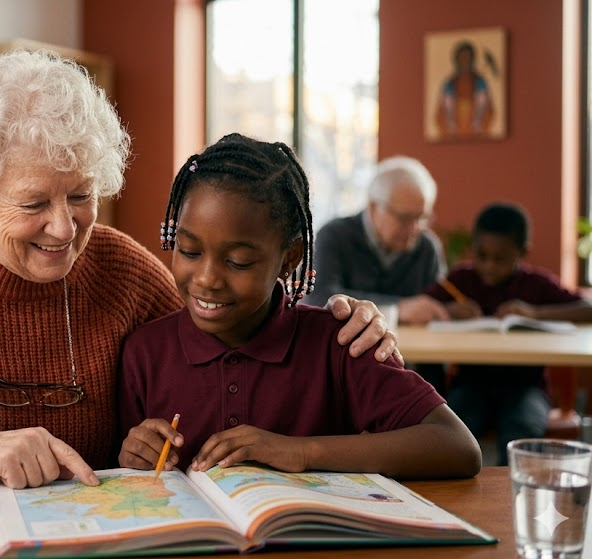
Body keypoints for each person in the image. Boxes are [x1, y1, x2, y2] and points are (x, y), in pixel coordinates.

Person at [0, 50, 402, 494]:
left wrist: (349, 320)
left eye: (79, 195)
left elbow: (232, 328)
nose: (65, 229)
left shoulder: (126, 271)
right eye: (33, 203)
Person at [118, 134, 481, 480]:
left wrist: (301, 452)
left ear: (289, 259)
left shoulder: (342, 345)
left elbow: (458, 446)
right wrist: (131, 455)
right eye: (189, 251)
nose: (207, 278)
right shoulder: (145, 353)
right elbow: (123, 472)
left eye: (240, 261)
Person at [424, 202, 592, 465]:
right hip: (471, 386)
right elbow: (419, 307)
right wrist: (447, 310)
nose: (489, 265)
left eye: (500, 258)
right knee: (450, 429)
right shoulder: (462, 279)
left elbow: (587, 309)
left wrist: (536, 314)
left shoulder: (536, 284)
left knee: (522, 429)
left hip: (526, 388)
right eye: (480, 255)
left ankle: (510, 500)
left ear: (522, 252)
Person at [305, 156, 449, 326]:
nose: (414, 229)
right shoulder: (334, 236)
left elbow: (435, 301)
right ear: (373, 207)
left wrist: (449, 308)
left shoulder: (427, 247)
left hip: (410, 350)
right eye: (404, 218)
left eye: (421, 217)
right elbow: (317, 297)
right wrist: (398, 308)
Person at [435, 41, 495, 139]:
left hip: (476, 125)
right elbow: (441, 113)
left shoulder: (480, 82)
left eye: (467, 57)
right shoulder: (449, 83)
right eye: (462, 57)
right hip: (454, 125)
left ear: (472, 59)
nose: (464, 60)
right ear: (456, 59)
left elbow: (488, 110)